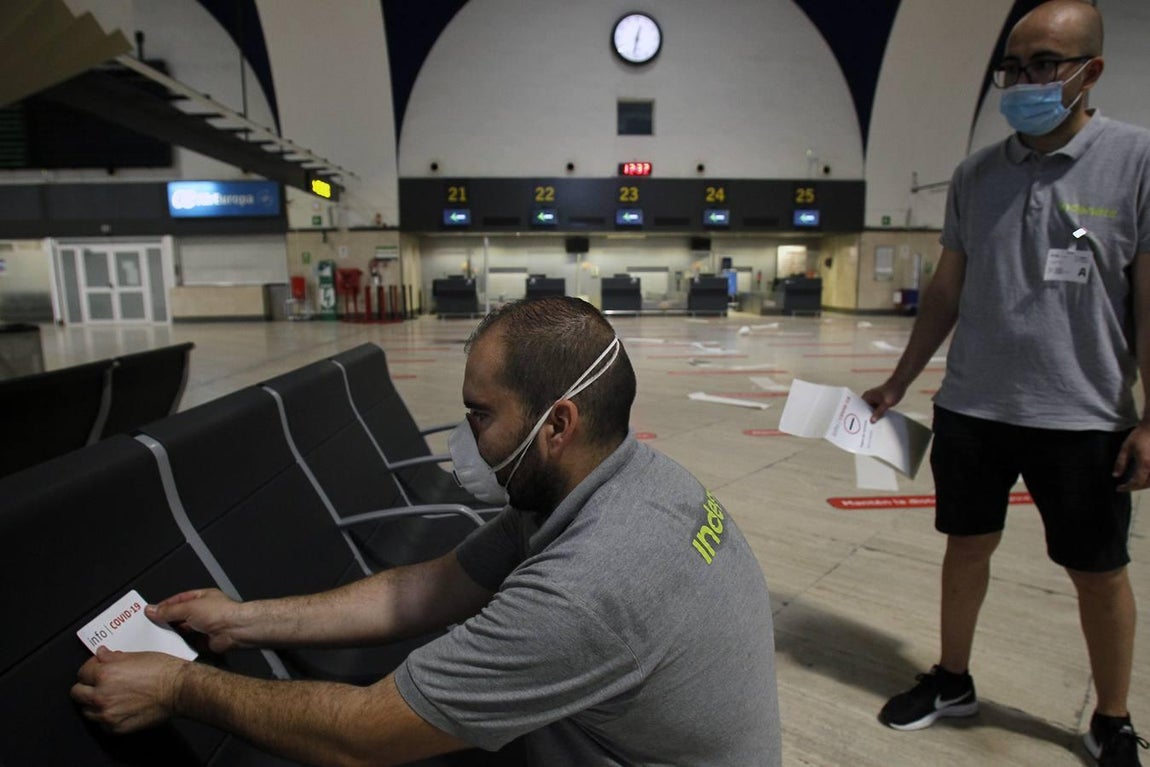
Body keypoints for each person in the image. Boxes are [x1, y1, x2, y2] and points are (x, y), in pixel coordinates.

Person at [72, 296, 781, 767]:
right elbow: (429, 588)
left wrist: (178, 687)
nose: (465, 437)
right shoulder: (622, 479)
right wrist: (244, 620)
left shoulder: (590, 583)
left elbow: (359, 736)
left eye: (480, 414)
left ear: (557, 424)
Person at [862, 2, 1150, 765]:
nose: (1023, 81)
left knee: (1098, 573)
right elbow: (947, 294)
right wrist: (897, 382)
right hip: (973, 407)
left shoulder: (1137, 161)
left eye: (1044, 64)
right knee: (966, 547)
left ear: (1090, 72)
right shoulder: (976, 174)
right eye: (1013, 67)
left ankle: (1111, 718)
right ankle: (953, 679)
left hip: (1086, 413)